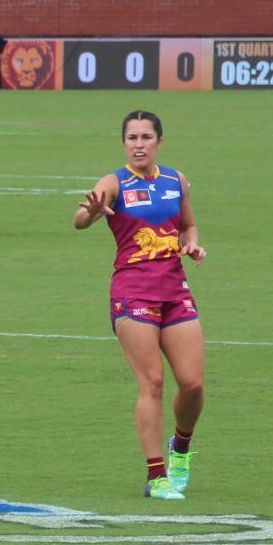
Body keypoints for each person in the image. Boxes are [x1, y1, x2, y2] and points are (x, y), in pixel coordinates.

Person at [74, 110, 206, 501]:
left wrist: (191, 243)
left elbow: (188, 225)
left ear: (159, 142)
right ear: (124, 143)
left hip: (174, 289)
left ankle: (180, 448)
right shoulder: (114, 182)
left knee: (193, 383)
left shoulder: (175, 180)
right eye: (132, 137)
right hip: (133, 293)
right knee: (152, 381)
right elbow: (79, 219)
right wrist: (92, 212)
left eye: (146, 137)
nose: (139, 144)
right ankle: (157, 476)